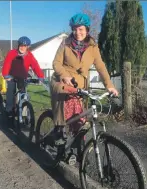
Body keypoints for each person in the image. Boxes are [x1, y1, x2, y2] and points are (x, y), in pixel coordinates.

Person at [50, 13, 119, 145]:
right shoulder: (65, 43)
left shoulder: (93, 47)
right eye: (74, 29)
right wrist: (65, 76)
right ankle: (58, 129)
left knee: (81, 121)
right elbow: (56, 63)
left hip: (80, 87)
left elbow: (100, 66)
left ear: (87, 30)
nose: (77, 32)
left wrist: (109, 85)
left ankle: (80, 152)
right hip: (62, 81)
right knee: (63, 110)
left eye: (80, 29)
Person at [2, 36, 44, 119]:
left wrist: (41, 76)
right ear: (18, 45)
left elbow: (35, 66)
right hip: (11, 75)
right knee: (11, 90)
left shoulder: (29, 55)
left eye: (24, 46)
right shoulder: (12, 53)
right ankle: (9, 109)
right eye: (21, 45)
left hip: (22, 76)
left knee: (24, 93)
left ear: (27, 47)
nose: (22, 48)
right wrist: (6, 75)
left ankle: (24, 110)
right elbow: (7, 64)